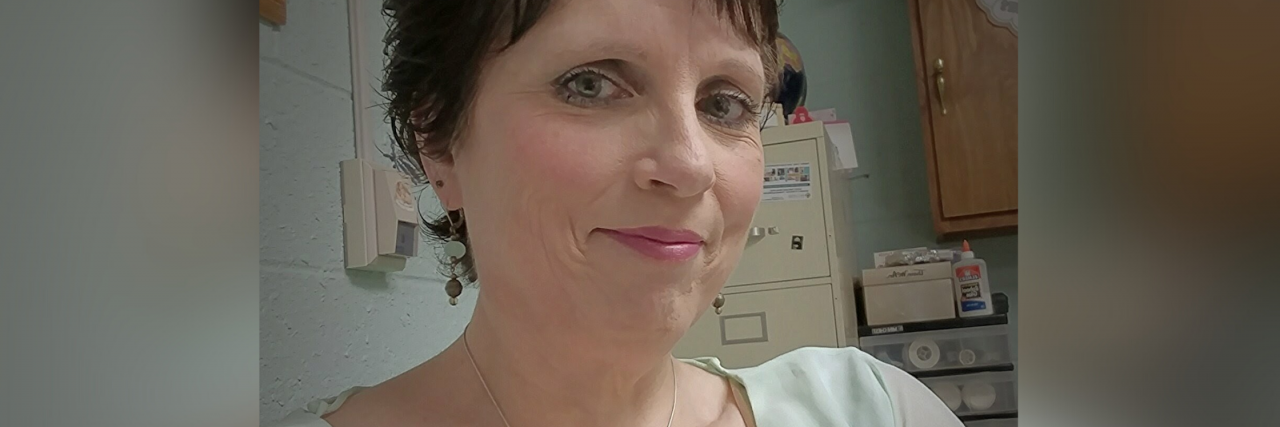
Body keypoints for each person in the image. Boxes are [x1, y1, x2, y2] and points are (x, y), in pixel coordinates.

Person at [275, 0, 962, 426]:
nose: (691, 164)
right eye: (591, 83)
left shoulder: (873, 411)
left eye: (724, 102)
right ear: (438, 140)